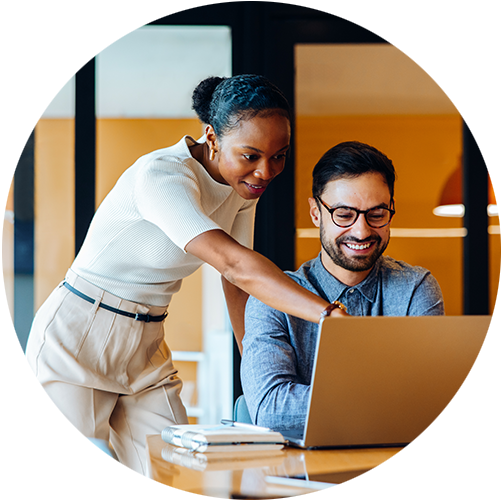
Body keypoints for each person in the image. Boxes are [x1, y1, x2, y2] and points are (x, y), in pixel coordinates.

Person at [25, 74, 340, 500]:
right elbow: (234, 262)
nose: (265, 171)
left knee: (164, 479)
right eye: (250, 155)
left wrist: (256, 368)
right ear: (211, 137)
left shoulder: (243, 188)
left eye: (279, 156)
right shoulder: (161, 175)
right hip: (78, 333)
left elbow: (237, 285)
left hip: (147, 340)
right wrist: (328, 314)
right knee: (82, 487)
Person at [241, 141, 445, 432]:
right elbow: (272, 410)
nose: (361, 231)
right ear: (316, 213)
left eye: (376, 214)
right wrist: (395, 400)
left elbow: (434, 402)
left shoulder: (415, 289)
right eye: (344, 215)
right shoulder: (270, 299)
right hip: (302, 475)